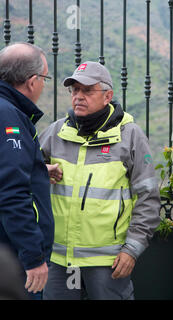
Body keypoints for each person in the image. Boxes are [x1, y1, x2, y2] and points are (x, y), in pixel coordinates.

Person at [39, 61, 161, 300]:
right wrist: (43, 171)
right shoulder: (55, 132)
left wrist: (132, 250)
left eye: (87, 90)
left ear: (108, 96)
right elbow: (24, 174)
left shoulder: (130, 136)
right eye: (75, 90)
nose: (79, 97)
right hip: (59, 261)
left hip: (108, 262)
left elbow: (148, 197)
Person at [0, 42, 54, 300]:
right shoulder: (10, 118)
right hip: (13, 258)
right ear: (32, 81)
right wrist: (33, 257)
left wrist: (38, 170)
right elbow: (11, 193)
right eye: (45, 78)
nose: (44, 85)